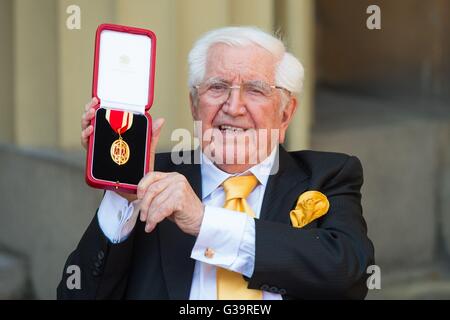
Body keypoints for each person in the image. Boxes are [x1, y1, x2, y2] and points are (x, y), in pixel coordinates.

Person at [57, 26, 374, 300]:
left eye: (255, 90)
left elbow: (349, 277)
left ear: (286, 113)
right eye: (217, 87)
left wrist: (203, 222)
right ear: (194, 105)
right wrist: (122, 191)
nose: (233, 106)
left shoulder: (329, 176)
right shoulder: (153, 181)